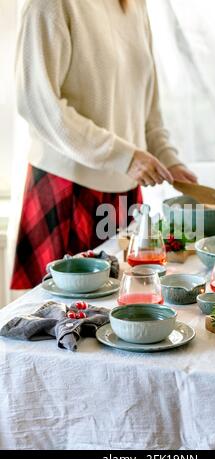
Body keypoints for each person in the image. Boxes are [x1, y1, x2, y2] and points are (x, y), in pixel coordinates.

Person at [11, 0, 197, 289]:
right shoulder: (51, 4)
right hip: (68, 190)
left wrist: (167, 157)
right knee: (61, 323)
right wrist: (124, 156)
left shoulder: (134, 4)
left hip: (125, 191)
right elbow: (38, 103)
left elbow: (146, 105)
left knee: (128, 312)